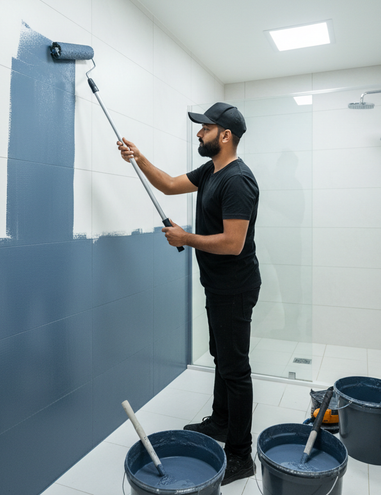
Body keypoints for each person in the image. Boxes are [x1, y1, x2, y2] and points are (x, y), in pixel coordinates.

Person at [117, 102, 260, 486]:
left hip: (235, 287)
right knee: (221, 356)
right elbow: (166, 184)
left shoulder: (237, 180)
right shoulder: (212, 171)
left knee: (235, 368)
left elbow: (233, 243)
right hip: (218, 285)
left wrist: (185, 238)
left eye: (206, 128)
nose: (198, 133)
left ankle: (241, 455)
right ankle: (221, 420)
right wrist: (139, 158)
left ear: (225, 135)